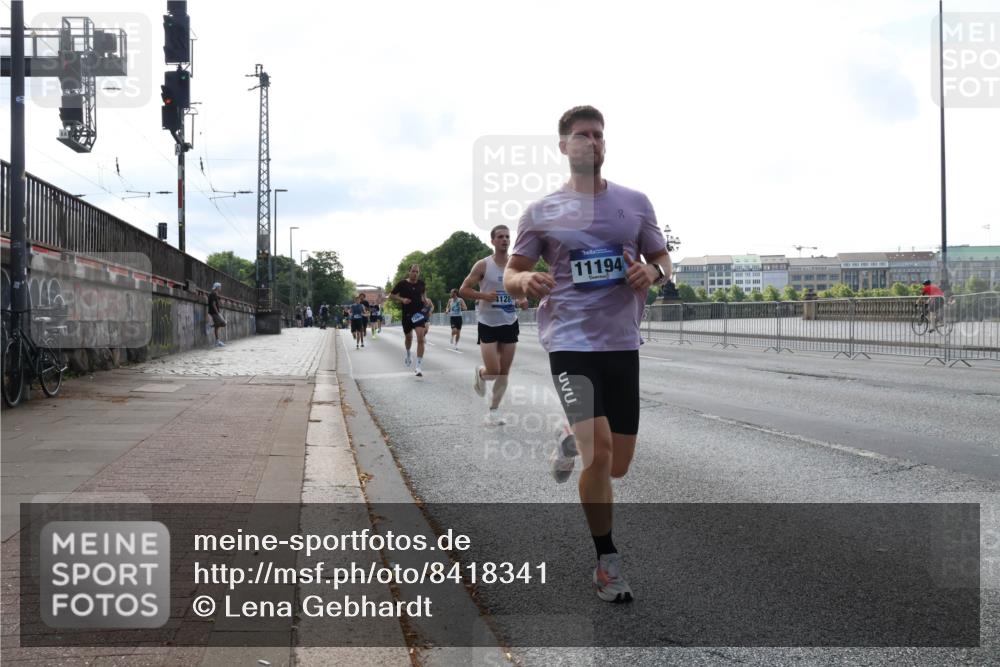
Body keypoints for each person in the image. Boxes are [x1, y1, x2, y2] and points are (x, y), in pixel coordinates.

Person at [504, 105, 672, 604]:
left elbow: (663, 259)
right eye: (582, 135)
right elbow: (512, 272)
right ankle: (607, 562)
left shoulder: (635, 204)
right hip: (569, 342)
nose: (592, 142)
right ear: (563, 146)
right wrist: (524, 281)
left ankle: (567, 437)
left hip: (621, 341)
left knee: (618, 465)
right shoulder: (541, 212)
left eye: (598, 135)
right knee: (598, 452)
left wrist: (653, 272)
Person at [460, 225, 528, 425]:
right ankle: (481, 373)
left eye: (507, 236)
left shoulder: (515, 266)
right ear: (492, 241)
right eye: (500, 237)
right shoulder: (483, 265)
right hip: (487, 323)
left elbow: (520, 291)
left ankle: (494, 411)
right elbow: (464, 289)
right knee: (493, 371)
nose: (504, 239)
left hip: (509, 322)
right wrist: (483, 296)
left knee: (504, 371)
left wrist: (523, 300)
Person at [390, 264, 433, 377]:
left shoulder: (421, 284)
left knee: (420, 338)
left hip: (418, 315)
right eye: (413, 271)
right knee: (408, 338)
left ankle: (418, 367)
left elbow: (423, 296)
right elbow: (392, 295)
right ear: (409, 272)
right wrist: (402, 299)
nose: (415, 273)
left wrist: (426, 301)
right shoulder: (402, 284)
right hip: (407, 315)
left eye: (417, 272)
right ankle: (408, 353)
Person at [208, 282, 227, 347]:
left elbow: (216, 301)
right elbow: (213, 304)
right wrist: (217, 313)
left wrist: (220, 300)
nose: (220, 288)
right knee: (223, 323)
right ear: (217, 287)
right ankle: (211, 326)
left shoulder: (214, 294)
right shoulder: (213, 294)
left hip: (215, 312)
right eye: (220, 287)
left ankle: (217, 341)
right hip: (214, 313)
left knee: (218, 325)